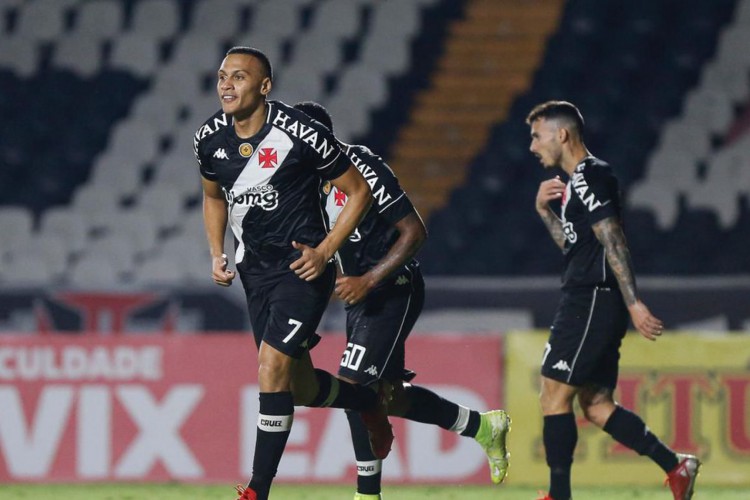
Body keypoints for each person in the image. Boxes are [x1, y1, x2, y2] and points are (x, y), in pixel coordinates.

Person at [193, 47, 394, 500]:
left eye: (238, 77)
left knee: (270, 366)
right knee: (298, 386)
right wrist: (215, 253)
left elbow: (358, 191)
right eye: (222, 75)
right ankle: (369, 401)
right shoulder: (208, 137)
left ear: (264, 87)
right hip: (253, 272)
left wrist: (326, 251)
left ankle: (257, 490)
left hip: (302, 270)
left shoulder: (300, 133)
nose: (226, 84)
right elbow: (212, 196)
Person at [294, 101, 511, 500]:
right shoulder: (305, 185)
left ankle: (366, 494)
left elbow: (414, 232)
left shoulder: (361, 166)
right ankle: (481, 426)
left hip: (393, 287)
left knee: (353, 384)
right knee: (386, 399)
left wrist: (369, 279)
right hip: (359, 298)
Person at [526, 100, 700, 500]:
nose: (533, 146)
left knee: (553, 393)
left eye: (537, 136)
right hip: (594, 296)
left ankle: (558, 495)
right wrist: (543, 211)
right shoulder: (576, 185)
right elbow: (576, 247)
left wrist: (634, 302)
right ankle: (676, 466)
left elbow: (613, 239)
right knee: (596, 404)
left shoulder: (592, 175)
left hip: (591, 298)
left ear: (562, 134)